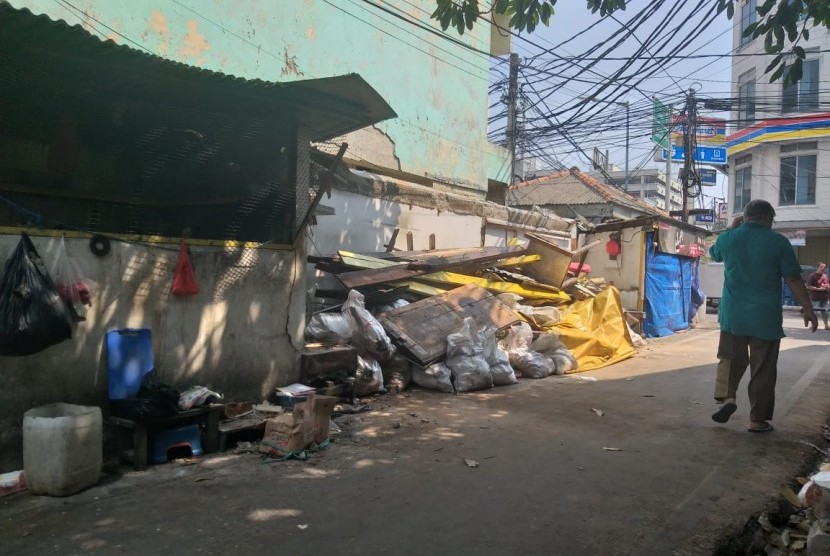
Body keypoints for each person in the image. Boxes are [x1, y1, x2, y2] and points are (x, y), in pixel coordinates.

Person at [709, 200, 817, 432]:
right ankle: (757, 420)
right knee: (763, 369)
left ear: (745, 217)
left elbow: (714, 254)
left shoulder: (730, 238)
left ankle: (727, 398)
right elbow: (794, 279)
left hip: (733, 315)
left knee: (729, 359)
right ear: (768, 218)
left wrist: (731, 230)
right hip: (765, 318)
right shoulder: (778, 242)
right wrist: (808, 310)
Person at [806, 262, 830, 330]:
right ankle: (813, 325)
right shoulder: (812, 275)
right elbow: (808, 286)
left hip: (825, 298)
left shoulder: (825, 275)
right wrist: (819, 289)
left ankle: (826, 326)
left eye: (824, 267)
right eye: (821, 267)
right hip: (815, 298)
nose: (823, 268)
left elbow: (827, 284)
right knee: (814, 312)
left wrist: (828, 287)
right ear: (818, 267)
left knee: (826, 312)